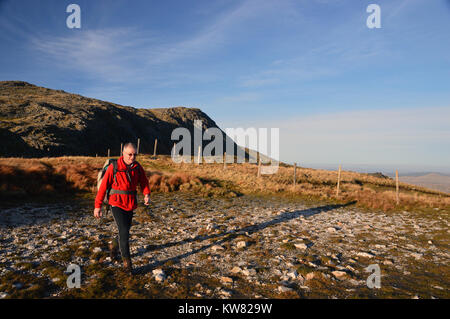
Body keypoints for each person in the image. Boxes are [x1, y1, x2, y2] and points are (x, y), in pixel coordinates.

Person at [94, 142, 150, 274]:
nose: (132, 157)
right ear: (123, 153)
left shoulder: (137, 167)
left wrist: (146, 194)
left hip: (130, 203)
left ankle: (113, 245)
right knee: (124, 231)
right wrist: (98, 206)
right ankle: (128, 265)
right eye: (130, 154)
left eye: (135, 154)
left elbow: (144, 181)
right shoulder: (114, 167)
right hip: (116, 203)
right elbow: (102, 188)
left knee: (124, 231)